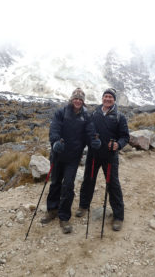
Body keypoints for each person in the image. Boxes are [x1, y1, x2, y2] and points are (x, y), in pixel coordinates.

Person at [41, 88, 101, 234]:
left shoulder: (86, 116)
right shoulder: (61, 113)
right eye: (76, 98)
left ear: (83, 101)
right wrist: (55, 142)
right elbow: (54, 130)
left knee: (68, 185)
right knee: (55, 183)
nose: (78, 101)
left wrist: (94, 141)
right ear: (72, 99)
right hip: (58, 155)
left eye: (80, 99)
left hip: (73, 158)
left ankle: (64, 217)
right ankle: (52, 210)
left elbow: (90, 132)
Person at [76, 88, 130, 231]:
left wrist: (118, 144)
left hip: (110, 157)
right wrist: (90, 142)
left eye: (110, 97)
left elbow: (125, 136)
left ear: (114, 100)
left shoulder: (120, 117)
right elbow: (87, 132)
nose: (107, 99)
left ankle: (118, 216)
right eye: (105, 96)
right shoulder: (94, 114)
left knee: (113, 184)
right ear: (102, 98)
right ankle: (83, 206)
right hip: (94, 155)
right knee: (88, 180)